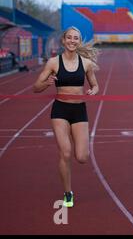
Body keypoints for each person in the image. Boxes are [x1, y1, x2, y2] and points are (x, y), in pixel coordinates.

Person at [33, 26, 99, 207]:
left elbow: (95, 85)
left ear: (78, 41)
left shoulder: (86, 63)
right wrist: (46, 83)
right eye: (69, 37)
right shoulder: (54, 62)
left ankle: (69, 187)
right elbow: (35, 87)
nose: (72, 41)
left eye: (75, 38)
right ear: (63, 40)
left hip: (79, 111)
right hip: (60, 111)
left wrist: (93, 90)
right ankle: (68, 192)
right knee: (66, 152)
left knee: (82, 157)